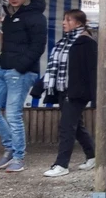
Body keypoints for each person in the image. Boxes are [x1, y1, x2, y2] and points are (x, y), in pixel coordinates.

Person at [0, 0, 47, 174]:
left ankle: (19, 156)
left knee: (13, 114)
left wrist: (20, 67)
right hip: (2, 69)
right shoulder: (10, 15)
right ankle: (11, 147)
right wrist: (2, 63)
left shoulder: (36, 16)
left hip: (21, 71)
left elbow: (38, 46)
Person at [39, 10, 97, 177]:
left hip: (77, 92)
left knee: (66, 127)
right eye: (64, 19)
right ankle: (92, 156)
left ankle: (61, 164)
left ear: (78, 23)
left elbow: (92, 71)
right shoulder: (64, 42)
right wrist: (40, 86)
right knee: (76, 126)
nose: (64, 23)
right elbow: (54, 68)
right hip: (62, 89)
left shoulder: (87, 43)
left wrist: (95, 95)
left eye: (67, 20)